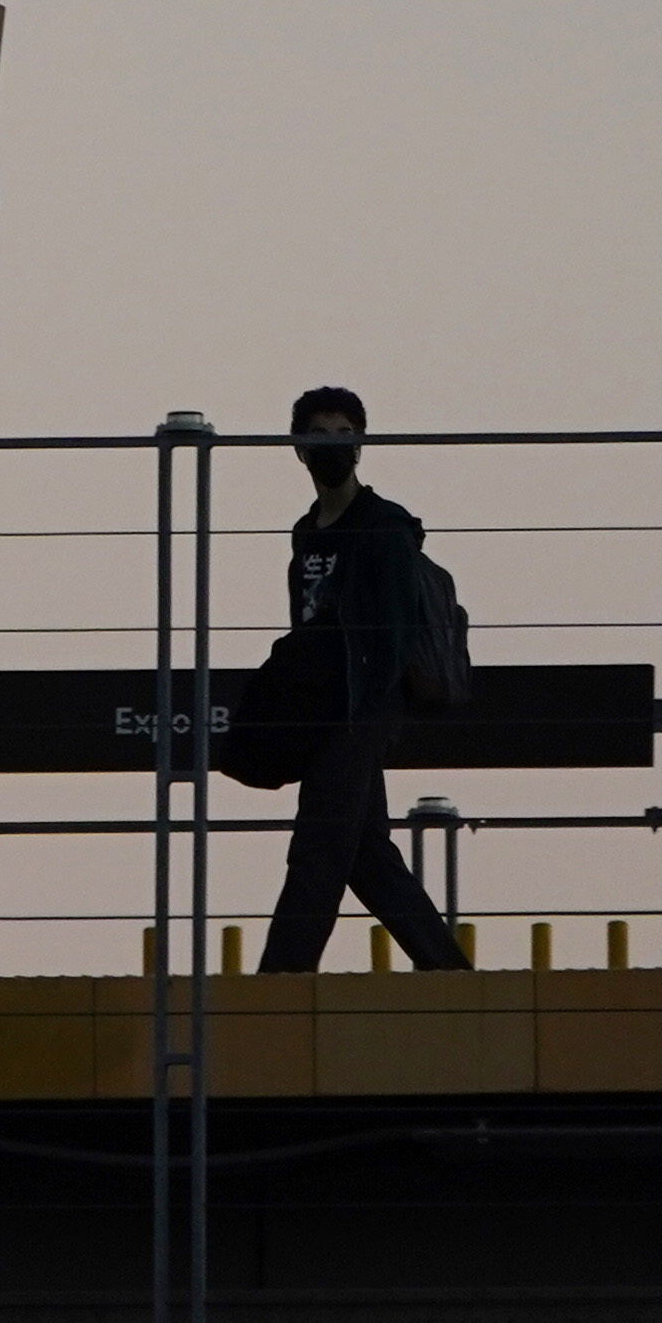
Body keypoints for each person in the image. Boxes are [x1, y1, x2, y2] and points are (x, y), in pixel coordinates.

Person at [260, 385, 471, 973]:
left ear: (361, 444)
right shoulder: (306, 533)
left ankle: (275, 989)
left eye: (344, 433)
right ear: (298, 450)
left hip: (360, 710)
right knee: (366, 856)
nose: (333, 445)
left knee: (317, 851)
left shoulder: (385, 527)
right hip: (320, 709)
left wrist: (366, 709)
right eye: (319, 435)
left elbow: (396, 630)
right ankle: (451, 975)